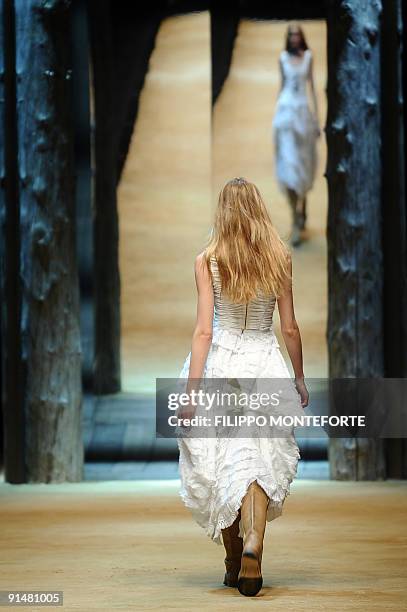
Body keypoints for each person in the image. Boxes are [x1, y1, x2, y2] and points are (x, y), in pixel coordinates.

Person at [176, 177, 309, 597]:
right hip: (264, 360)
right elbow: (288, 327)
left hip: (222, 362)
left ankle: (234, 561)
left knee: (220, 460)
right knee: (256, 457)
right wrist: (299, 376)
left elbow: (203, 331)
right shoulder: (279, 257)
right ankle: (254, 542)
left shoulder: (208, 260)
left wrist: (192, 391)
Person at [272, 22, 320, 247]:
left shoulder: (309, 57)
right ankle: (295, 220)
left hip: (303, 115)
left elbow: (312, 88)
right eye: (290, 35)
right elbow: (281, 87)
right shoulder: (282, 58)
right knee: (289, 165)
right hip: (286, 115)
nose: (293, 39)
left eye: (297, 35)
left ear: (301, 37)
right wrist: (276, 117)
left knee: (304, 164)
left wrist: (317, 119)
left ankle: (303, 207)